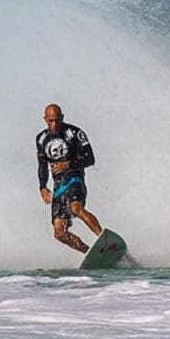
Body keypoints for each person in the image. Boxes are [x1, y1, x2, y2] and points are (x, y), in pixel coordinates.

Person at [36, 103, 103, 253]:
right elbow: (42, 165)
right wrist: (42, 186)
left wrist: (69, 164)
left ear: (62, 118)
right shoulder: (41, 139)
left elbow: (90, 159)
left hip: (75, 178)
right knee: (59, 233)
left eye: (57, 120)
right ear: (45, 119)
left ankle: (103, 239)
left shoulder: (74, 132)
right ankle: (89, 253)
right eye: (50, 121)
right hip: (59, 186)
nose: (54, 124)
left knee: (76, 208)